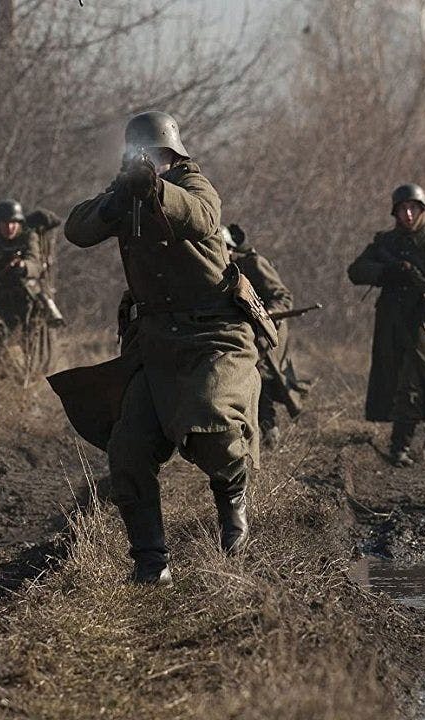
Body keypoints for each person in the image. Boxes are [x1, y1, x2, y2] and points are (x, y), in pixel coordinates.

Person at [60, 111, 262, 585]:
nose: (147, 162)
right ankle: (152, 564)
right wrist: (117, 201)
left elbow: (201, 216)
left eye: (154, 156)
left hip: (214, 334)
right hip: (154, 343)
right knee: (128, 448)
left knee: (212, 426)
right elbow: (78, 229)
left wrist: (157, 190)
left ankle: (233, 501)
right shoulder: (124, 194)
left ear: (174, 155)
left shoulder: (195, 185)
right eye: (139, 156)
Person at [347, 183, 425, 468]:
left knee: (420, 384)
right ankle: (403, 443)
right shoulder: (385, 243)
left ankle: (407, 441)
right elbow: (356, 271)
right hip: (392, 323)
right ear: (395, 212)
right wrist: (387, 271)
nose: (408, 215)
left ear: (424, 210)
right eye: (403, 209)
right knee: (401, 383)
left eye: (413, 208)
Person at [224, 223, 305, 449]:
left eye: (226, 248)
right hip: (232, 338)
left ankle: (269, 431)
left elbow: (282, 296)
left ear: (232, 249)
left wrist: (267, 314)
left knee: (261, 380)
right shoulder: (209, 272)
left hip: (261, 337)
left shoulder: (252, 265)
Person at [0, 199, 58, 377]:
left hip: (25, 302)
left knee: (32, 354)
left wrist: (24, 266)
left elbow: (36, 263)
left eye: (13, 223)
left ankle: (28, 383)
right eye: (5, 223)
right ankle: (6, 380)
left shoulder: (28, 237)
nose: (9, 227)